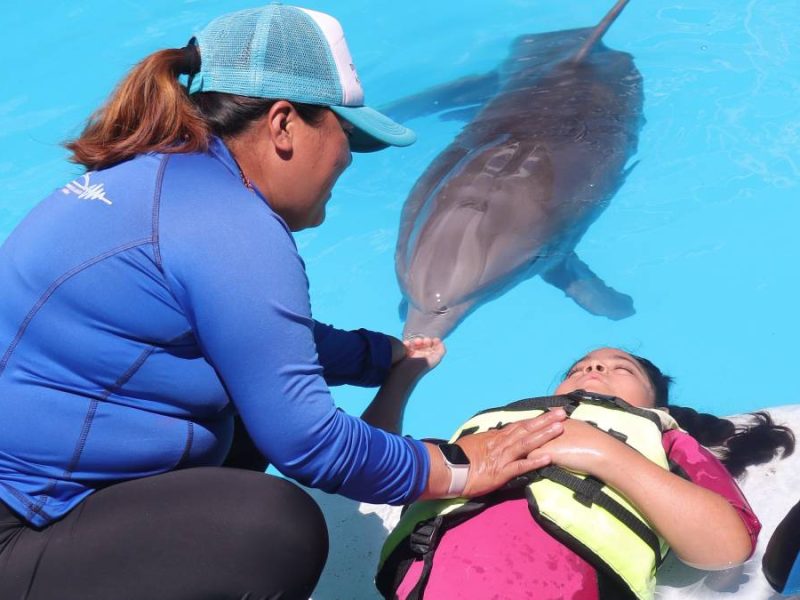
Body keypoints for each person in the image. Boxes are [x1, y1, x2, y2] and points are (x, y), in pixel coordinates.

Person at [0, 5, 572, 600]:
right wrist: (457, 466)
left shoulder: (158, 178)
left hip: (36, 489)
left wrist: (378, 357)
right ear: (282, 124)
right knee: (273, 529)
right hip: (20, 528)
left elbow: (255, 335)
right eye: (345, 135)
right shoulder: (233, 227)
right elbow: (311, 446)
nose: (347, 159)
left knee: (245, 414)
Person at [378, 347, 795, 600]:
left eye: (621, 368)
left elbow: (725, 546)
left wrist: (601, 453)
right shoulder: (495, 428)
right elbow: (371, 466)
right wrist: (400, 380)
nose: (593, 370)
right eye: (580, 367)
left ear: (657, 406)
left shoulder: (661, 438)